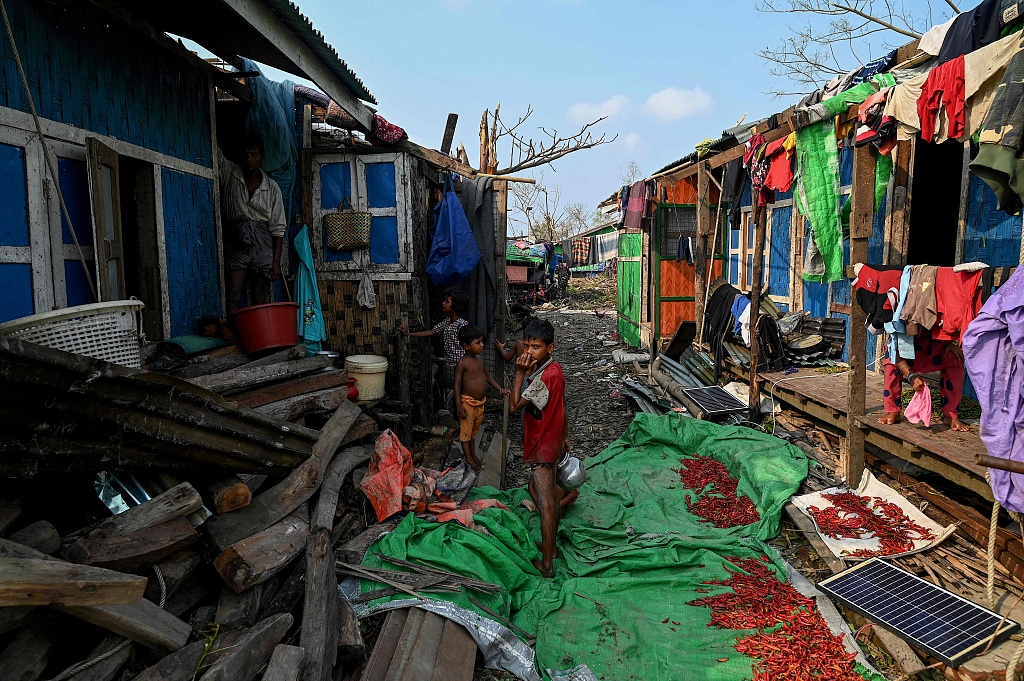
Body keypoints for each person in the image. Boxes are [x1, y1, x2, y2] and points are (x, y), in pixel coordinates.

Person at [508, 318, 577, 578]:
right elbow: (561, 407)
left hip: (542, 445)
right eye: (526, 345)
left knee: (547, 504)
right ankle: (552, 549)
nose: (528, 352)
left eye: (535, 347)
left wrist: (517, 374)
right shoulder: (553, 370)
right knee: (550, 501)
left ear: (551, 348)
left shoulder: (544, 377)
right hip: (553, 439)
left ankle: (547, 563)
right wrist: (565, 435)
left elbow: (515, 406)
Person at [218, 135, 287, 314]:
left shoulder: (272, 188)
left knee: (259, 293)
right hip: (236, 239)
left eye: (254, 154)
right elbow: (215, 153)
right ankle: (234, 335)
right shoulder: (229, 174)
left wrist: (276, 263)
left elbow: (278, 228)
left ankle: (262, 335)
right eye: (246, 154)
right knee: (234, 294)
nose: (249, 158)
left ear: (262, 158)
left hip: (262, 241)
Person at [878, 330, 969, 432]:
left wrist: (953, 343)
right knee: (890, 359)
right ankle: (893, 409)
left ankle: (951, 414)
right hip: (906, 345)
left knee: (955, 357)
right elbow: (895, 351)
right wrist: (911, 375)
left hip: (937, 343)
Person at [454, 325, 509, 472]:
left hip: (480, 404)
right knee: (465, 434)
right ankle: (469, 459)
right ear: (466, 346)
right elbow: (457, 385)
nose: (482, 345)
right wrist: (459, 405)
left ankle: (473, 455)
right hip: (468, 403)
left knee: (472, 433)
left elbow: (488, 377)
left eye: (482, 341)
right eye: (478, 343)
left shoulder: (480, 360)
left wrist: (500, 389)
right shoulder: (462, 363)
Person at [399, 290, 470, 370]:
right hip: (455, 362)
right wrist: (408, 334)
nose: (443, 303)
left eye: (447, 302)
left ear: (456, 305)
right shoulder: (447, 321)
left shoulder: (462, 325)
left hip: (464, 363)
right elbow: (432, 331)